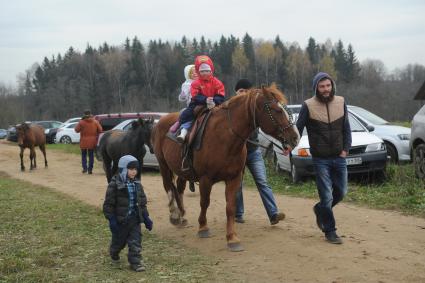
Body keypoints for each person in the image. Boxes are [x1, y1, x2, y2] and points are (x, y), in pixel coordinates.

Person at [296, 72, 352, 244]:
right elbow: (298, 129)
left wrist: (346, 149)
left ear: (332, 85)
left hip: (339, 157)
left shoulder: (341, 102)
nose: (326, 89)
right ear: (316, 88)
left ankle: (320, 209)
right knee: (327, 196)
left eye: (328, 85)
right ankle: (330, 231)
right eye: (322, 86)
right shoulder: (308, 105)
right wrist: (289, 145)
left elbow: (346, 128)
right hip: (320, 159)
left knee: (341, 192)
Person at [234, 79, 286, 225]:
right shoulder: (232, 111)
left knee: (262, 182)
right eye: (240, 91)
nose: (243, 93)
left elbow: (267, 125)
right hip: (237, 154)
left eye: (246, 91)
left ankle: (273, 214)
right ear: (236, 93)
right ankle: (238, 214)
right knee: (237, 183)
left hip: (253, 151)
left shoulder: (255, 110)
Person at [103, 155, 153, 272]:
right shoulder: (114, 185)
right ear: (123, 169)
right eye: (131, 169)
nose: (134, 172)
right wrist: (112, 220)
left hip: (134, 220)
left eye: (135, 169)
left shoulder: (137, 185)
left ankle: (135, 262)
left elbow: (142, 203)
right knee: (119, 242)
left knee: (135, 241)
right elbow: (108, 205)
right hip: (121, 221)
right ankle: (114, 251)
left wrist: (146, 218)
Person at [176, 55, 225, 142]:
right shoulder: (195, 83)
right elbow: (195, 95)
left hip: (214, 103)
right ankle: (182, 131)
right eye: (202, 71)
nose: (205, 73)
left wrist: (214, 101)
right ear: (199, 72)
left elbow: (221, 94)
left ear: (211, 71)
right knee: (186, 114)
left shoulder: (217, 82)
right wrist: (205, 99)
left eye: (207, 71)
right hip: (198, 103)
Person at [74, 110, 102, 174]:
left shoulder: (81, 122)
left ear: (84, 114)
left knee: (84, 155)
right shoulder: (95, 122)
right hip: (92, 141)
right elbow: (100, 130)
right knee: (91, 156)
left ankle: (84, 168)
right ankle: (90, 170)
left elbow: (76, 130)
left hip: (83, 141)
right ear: (90, 114)